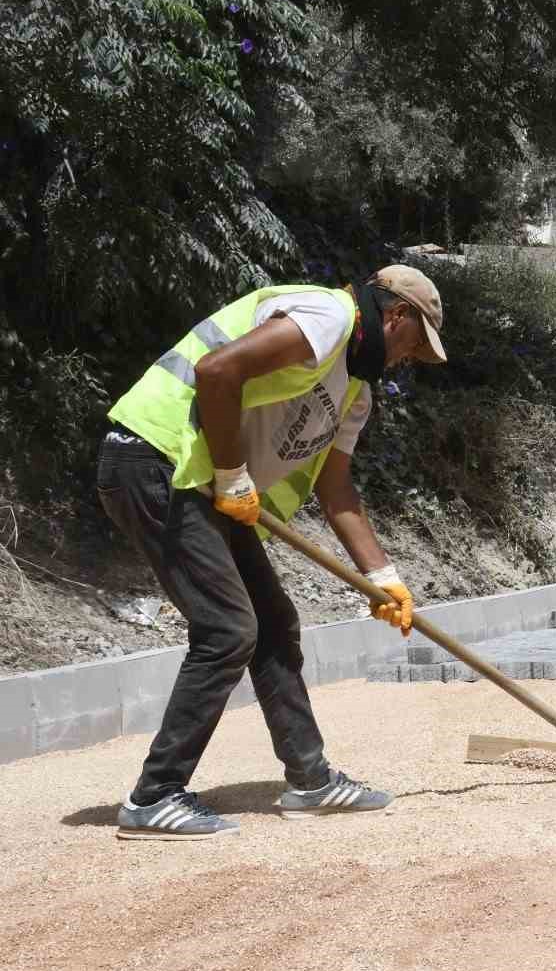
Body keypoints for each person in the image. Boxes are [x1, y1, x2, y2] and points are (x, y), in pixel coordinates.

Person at [97, 266, 447, 840]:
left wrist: (383, 577)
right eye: (415, 344)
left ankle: (311, 780)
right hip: (153, 460)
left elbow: (337, 489)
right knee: (228, 629)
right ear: (396, 316)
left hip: (204, 483)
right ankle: (154, 796)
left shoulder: (353, 389)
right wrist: (234, 474)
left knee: (274, 624)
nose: (410, 358)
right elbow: (217, 369)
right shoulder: (327, 315)